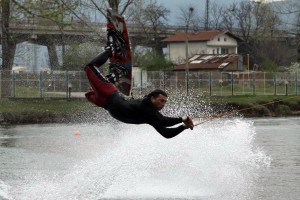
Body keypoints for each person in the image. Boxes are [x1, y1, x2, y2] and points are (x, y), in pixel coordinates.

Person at [84, 32, 194, 139]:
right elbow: (163, 121)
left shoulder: (150, 116)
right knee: (90, 67)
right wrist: (182, 119)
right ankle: (112, 49)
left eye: (165, 101)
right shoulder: (145, 104)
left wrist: (184, 127)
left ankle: (115, 75)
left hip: (105, 104)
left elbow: (166, 133)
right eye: (162, 100)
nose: (163, 104)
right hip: (109, 94)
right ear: (152, 98)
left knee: (89, 94)